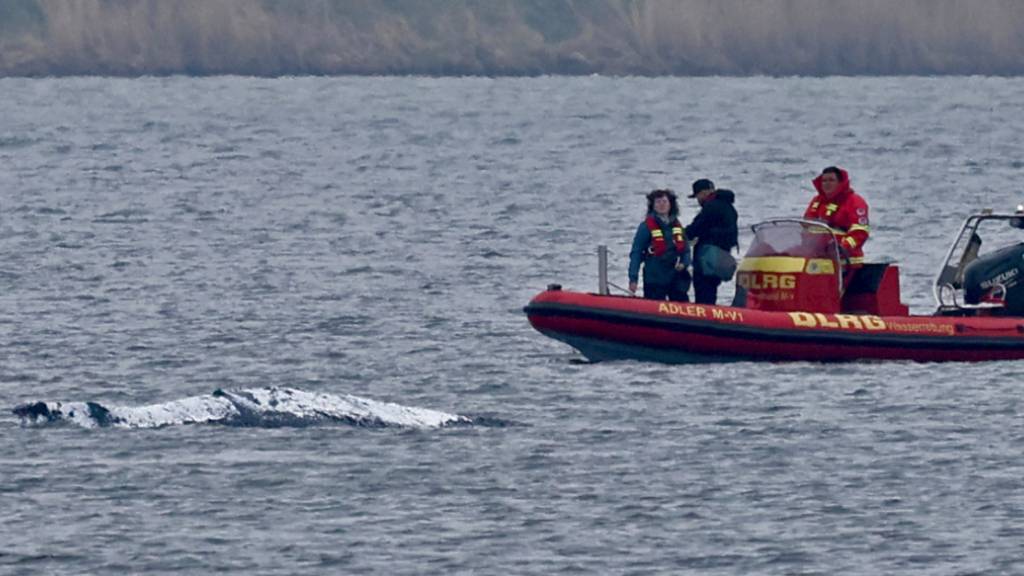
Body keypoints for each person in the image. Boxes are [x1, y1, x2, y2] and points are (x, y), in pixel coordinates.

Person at [803, 166, 870, 283]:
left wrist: (842, 248)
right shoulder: (817, 201)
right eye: (824, 181)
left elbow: (860, 232)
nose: (827, 184)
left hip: (846, 261)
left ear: (840, 182)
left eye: (831, 180)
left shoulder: (854, 201)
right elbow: (806, 226)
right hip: (819, 259)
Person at [628, 189, 691, 301]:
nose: (662, 204)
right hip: (654, 276)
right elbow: (636, 253)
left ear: (671, 204)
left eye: (664, 201)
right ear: (653, 205)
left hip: (675, 276)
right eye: (658, 202)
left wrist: (684, 263)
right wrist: (633, 278)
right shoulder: (646, 227)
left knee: (681, 302)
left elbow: (685, 250)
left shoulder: (677, 226)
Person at [685, 179, 739, 305]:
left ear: (703, 193)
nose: (698, 200)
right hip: (721, 257)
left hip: (707, 258)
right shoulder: (729, 207)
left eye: (697, 196)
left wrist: (678, 234)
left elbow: (695, 229)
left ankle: (702, 319)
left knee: (704, 293)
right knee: (711, 291)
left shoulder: (711, 207)